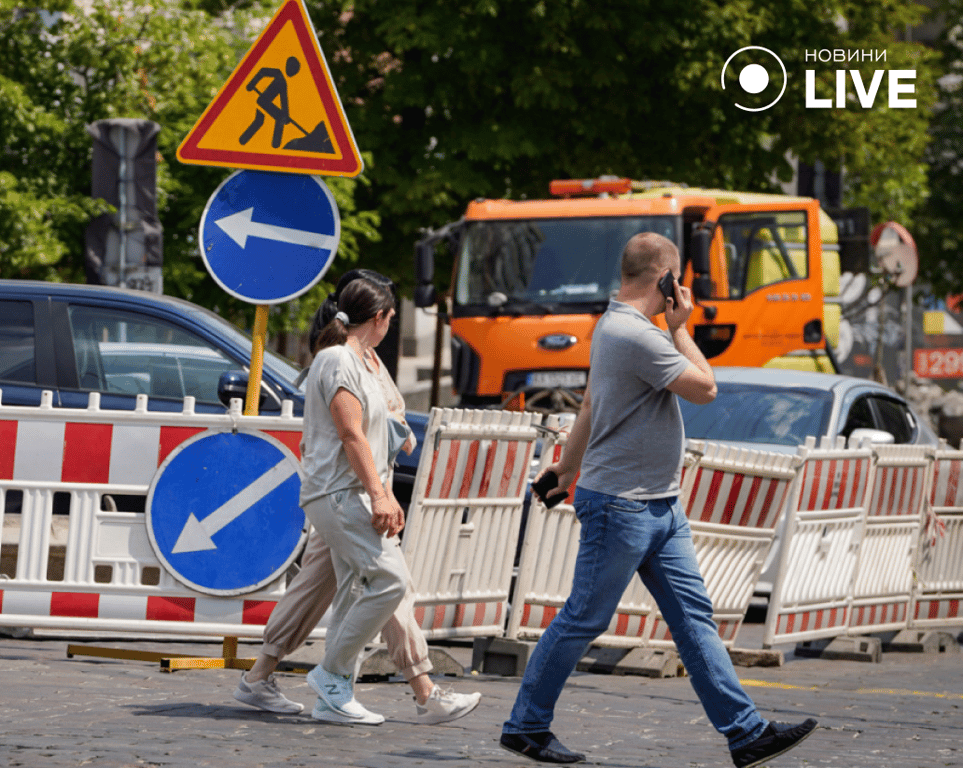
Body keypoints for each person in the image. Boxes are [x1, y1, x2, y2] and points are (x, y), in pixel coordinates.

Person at [498, 233, 818, 767]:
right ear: (665, 280)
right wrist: (681, 327)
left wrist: (567, 465)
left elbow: (592, 405)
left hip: (660, 506)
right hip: (622, 505)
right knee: (583, 618)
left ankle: (746, 733)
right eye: (679, 279)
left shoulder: (615, 328)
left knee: (694, 620)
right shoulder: (635, 334)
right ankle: (525, 725)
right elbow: (706, 387)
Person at [233, 270, 480, 726]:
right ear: (380, 316)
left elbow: (376, 421)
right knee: (390, 583)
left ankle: (288, 683)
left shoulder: (364, 359)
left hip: (354, 491)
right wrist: (381, 493)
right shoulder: (340, 360)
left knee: (342, 590)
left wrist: (392, 440)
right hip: (349, 493)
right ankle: (397, 686)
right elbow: (351, 432)